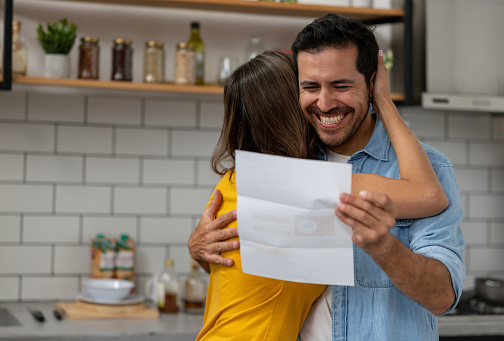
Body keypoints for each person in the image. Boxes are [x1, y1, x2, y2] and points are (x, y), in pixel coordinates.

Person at [190, 14, 465, 341]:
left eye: (341, 85)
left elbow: (442, 298)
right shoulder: (286, 171)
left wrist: (386, 249)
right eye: (310, 86)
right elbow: (240, 262)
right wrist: (198, 248)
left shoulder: (429, 168)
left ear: (373, 81)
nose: (324, 102)